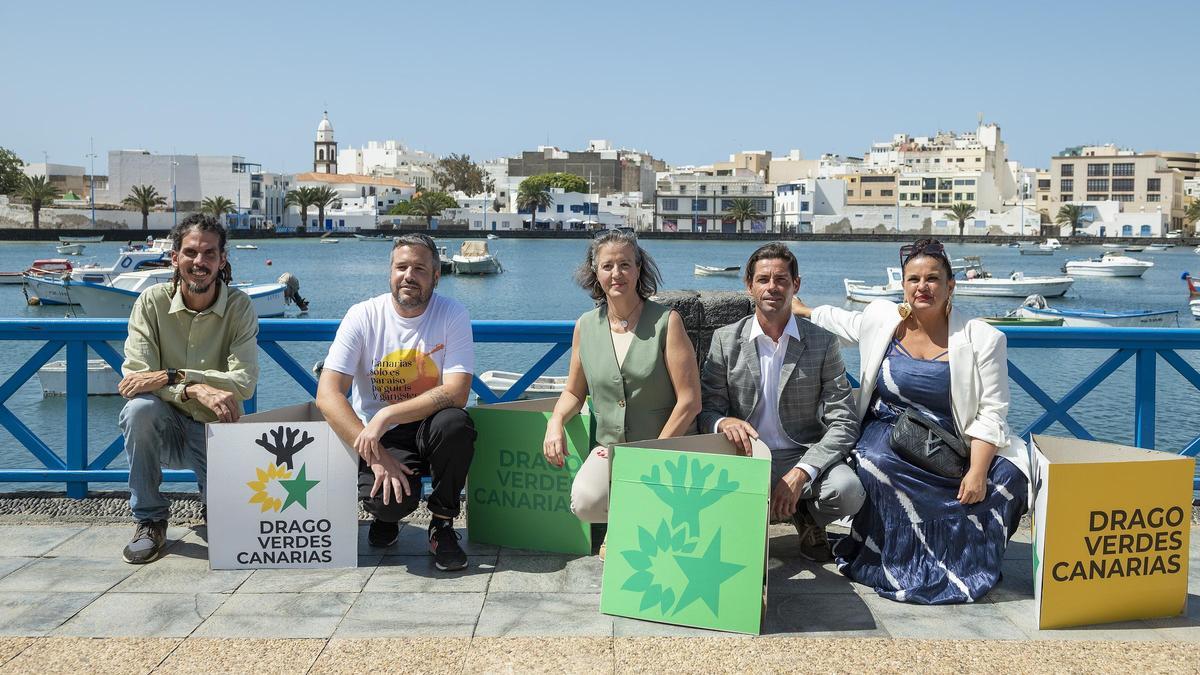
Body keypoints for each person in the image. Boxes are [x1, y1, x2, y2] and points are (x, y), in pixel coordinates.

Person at [794, 238, 1030, 604]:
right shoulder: (884, 319)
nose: (923, 287)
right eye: (913, 279)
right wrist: (805, 311)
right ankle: (897, 560)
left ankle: (961, 564)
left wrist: (977, 471)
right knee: (877, 465)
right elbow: (847, 322)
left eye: (933, 279)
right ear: (903, 285)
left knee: (1007, 479)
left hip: (956, 439)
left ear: (951, 285)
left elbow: (991, 412)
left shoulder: (983, 338)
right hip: (890, 429)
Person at [315, 233, 476, 572]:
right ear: (390, 272)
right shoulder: (362, 315)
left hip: (429, 427)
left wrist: (386, 412)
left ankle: (442, 523)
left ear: (436, 275)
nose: (408, 275)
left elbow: (457, 392)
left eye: (419, 268)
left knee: (456, 424)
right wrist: (376, 455)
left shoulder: (452, 314)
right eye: (401, 267)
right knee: (387, 504)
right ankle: (386, 519)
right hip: (380, 437)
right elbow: (328, 394)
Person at [700, 242, 863, 562]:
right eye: (763, 279)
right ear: (749, 286)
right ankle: (766, 513)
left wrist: (803, 471)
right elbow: (706, 409)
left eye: (781, 280)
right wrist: (723, 422)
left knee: (848, 491)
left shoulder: (822, 342)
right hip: (745, 455)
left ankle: (807, 514)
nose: (772, 287)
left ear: (796, 284)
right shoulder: (725, 340)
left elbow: (843, 420)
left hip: (800, 453)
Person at [542, 230, 700, 554]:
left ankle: (626, 528)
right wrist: (555, 422)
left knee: (653, 497)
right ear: (595, 273)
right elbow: (574, 392)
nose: (617, 274)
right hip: (611, 448)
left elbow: (690, 401)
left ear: (639, 269)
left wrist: (650, 455)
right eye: (608, 266)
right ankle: (632, 519)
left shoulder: (667, 322)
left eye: (625, 265)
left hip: (665, 445)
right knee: (584, 502)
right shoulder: (585, 326)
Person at [118, 214, 259, 564]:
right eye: (191, 252)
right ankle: (149, 518)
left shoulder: (240, 307)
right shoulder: (151, 303)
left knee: (229, 525)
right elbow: (135, 377)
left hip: (218, 430)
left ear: (222, 260)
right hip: (165, 427)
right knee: (139, 410)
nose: (200, 262)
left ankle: (212, 499)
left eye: (210, 253)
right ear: (175, 258)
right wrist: (193, 389)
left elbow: (243, 382)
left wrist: (175, 376)